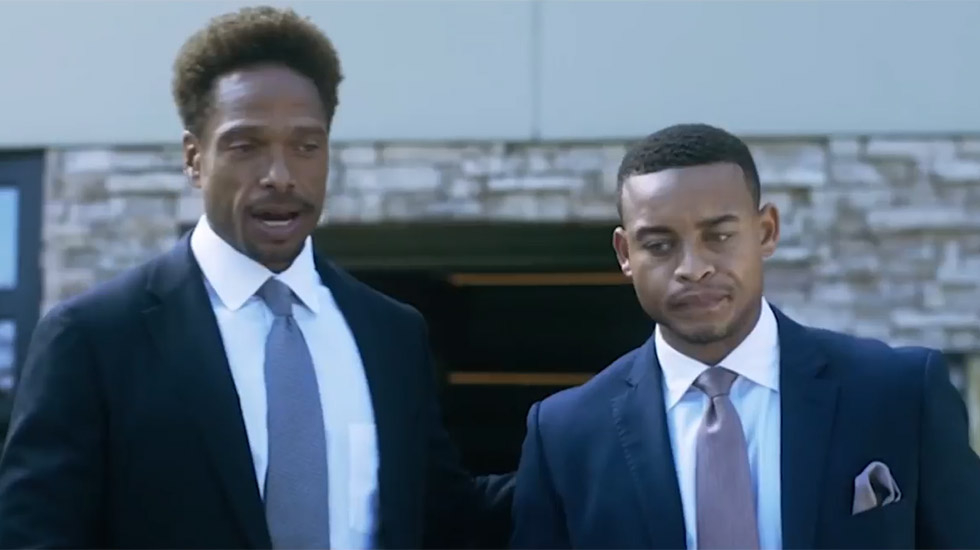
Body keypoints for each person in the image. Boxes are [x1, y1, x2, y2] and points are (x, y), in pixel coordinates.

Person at [0, 7, 512, 549]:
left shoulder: (390, 334)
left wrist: (569, 443)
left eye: (306, 146)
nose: (280, 176)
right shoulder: (95, 337)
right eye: (246, 146)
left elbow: (446, 518)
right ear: (194, 159)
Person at [509, 123, 980, 549]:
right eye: (659, 245)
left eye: (719, 236)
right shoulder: (567, 435)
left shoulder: (900, 394)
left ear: (766, 231)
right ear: (624, 253)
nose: (693, 268)